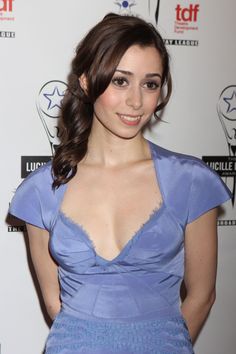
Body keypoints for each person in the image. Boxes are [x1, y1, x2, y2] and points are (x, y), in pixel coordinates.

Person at [9, 13, 231, 354]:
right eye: (120, 81)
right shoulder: (41, 190)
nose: (136, 101)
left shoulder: (190, 181)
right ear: (86, 81)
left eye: (150, 83)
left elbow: (202, 295)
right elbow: (55, 304)